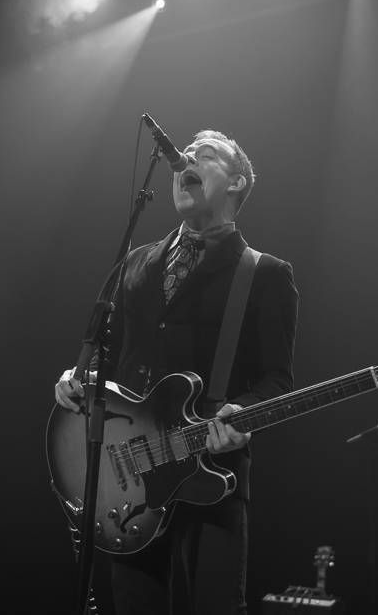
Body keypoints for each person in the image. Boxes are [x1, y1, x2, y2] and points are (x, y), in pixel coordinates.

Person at [55, 129, 298, 614]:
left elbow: (277, 380)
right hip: (130, 486)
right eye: (186, 153)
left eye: (205, 156)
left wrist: (242, 417)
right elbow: (114, 353)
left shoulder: (264, 273)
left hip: (211, 474)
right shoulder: (137, 263)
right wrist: (81, 378)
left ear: (236, 183)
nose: (187, 158)